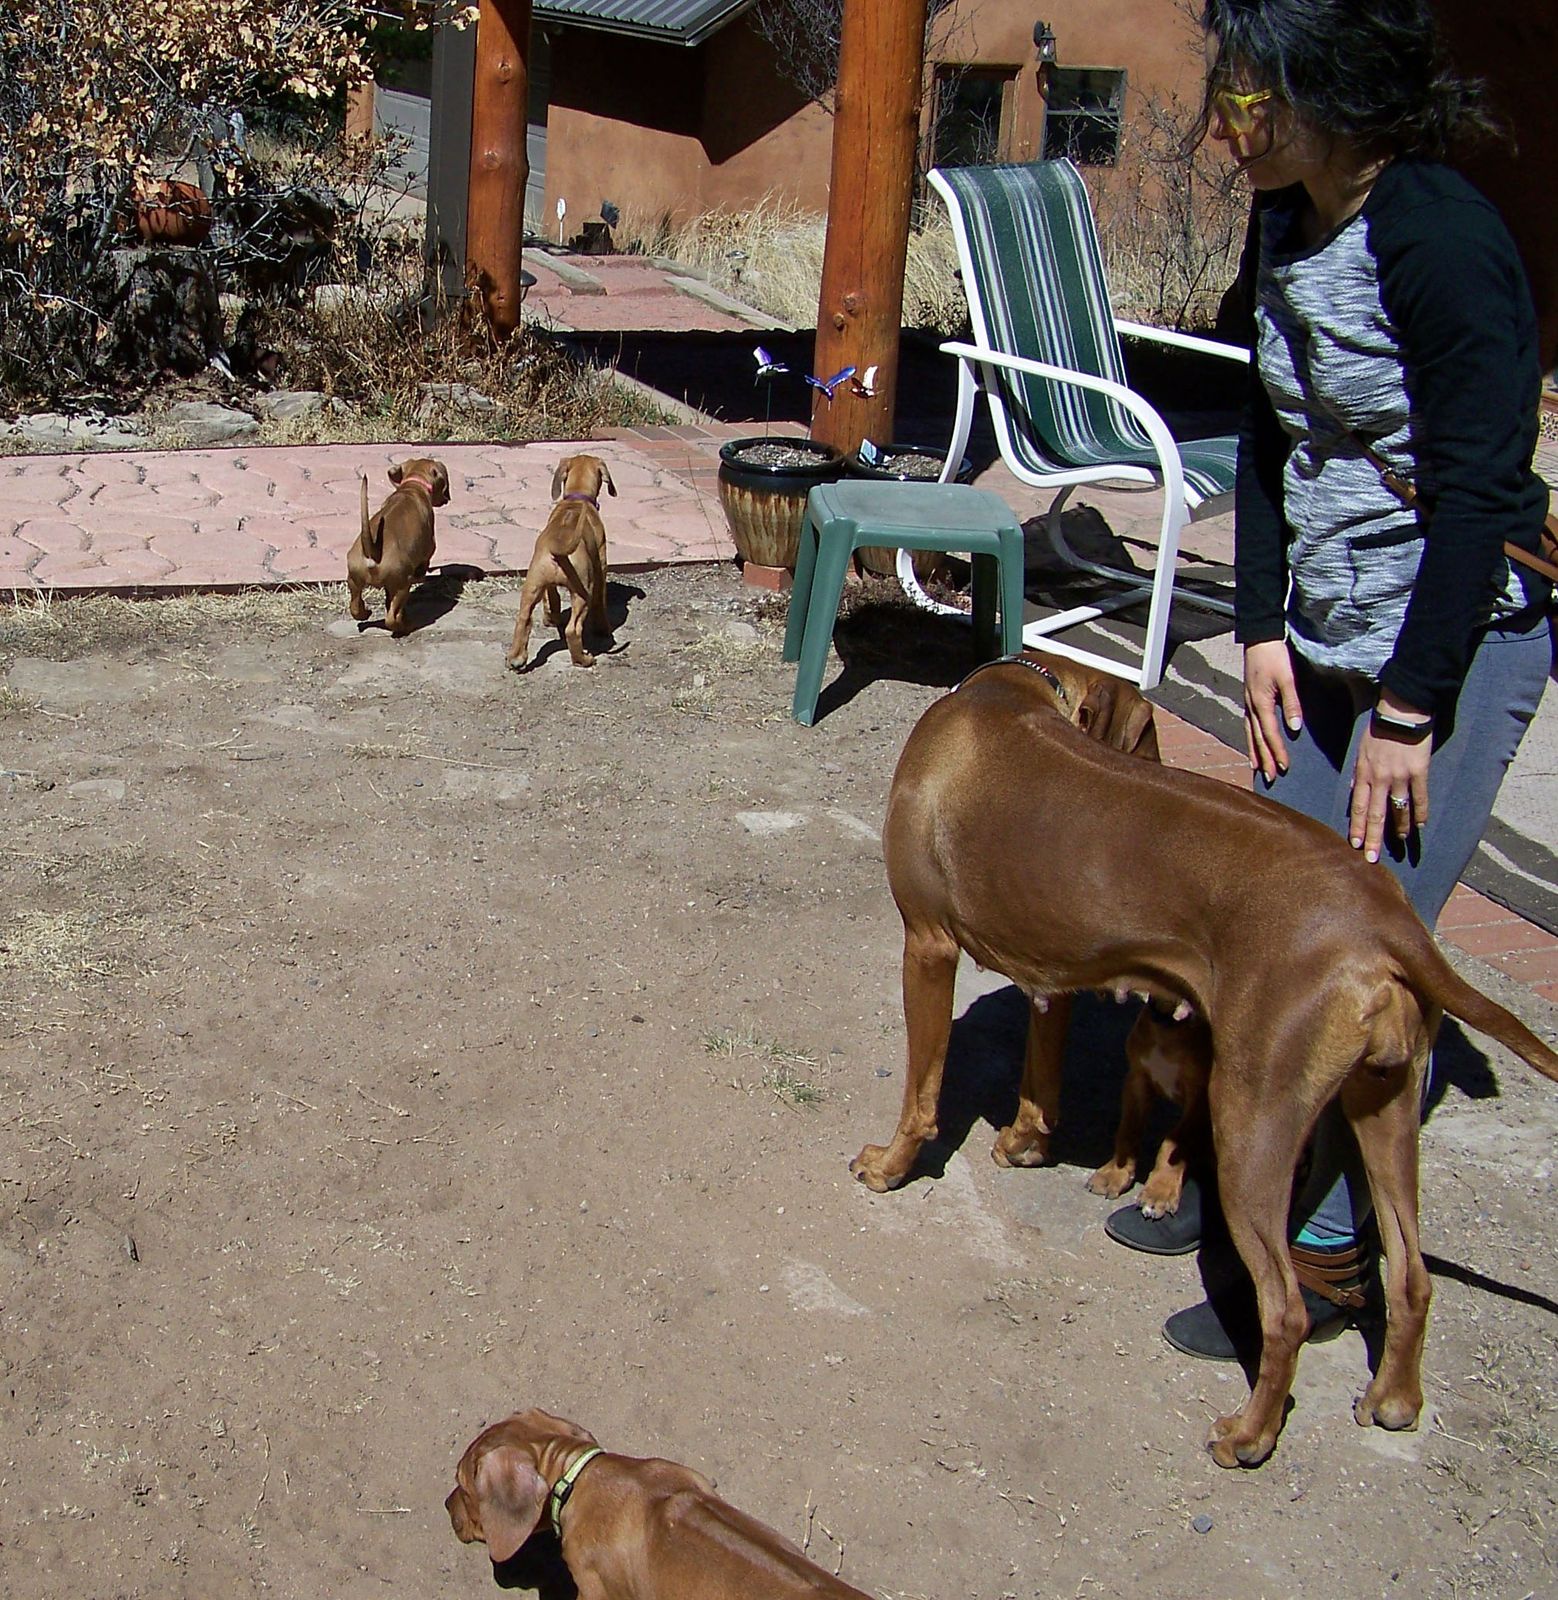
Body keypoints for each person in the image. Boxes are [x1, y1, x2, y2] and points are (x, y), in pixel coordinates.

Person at [1103, 0, 1553, 1359]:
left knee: (1359, 954)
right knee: (1250, 921)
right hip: (1318, 630)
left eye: (1248, 97)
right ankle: (1235, 1172)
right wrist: (1257, 628)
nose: (1223, 126)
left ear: (1331, 93)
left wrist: (1410, 712)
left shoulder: (1442, 241)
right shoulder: (1284, 218)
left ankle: (1333, 1254)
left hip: (1449, 646)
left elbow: (1479, 499)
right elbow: (1266, 430)